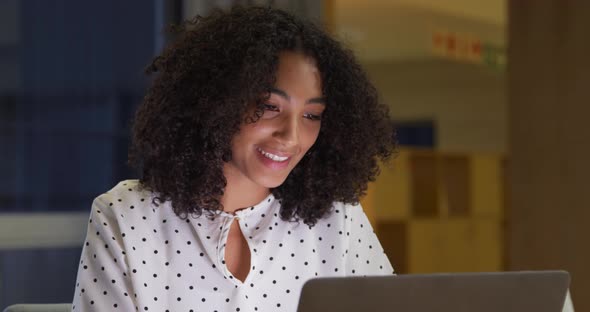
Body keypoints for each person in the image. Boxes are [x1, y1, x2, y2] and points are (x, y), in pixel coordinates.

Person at [72, 6, 396, 312]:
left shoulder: (338, 219)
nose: (292, 137)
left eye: (312, 114)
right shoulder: (127, 216)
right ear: (218, 101)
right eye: (269, 107)